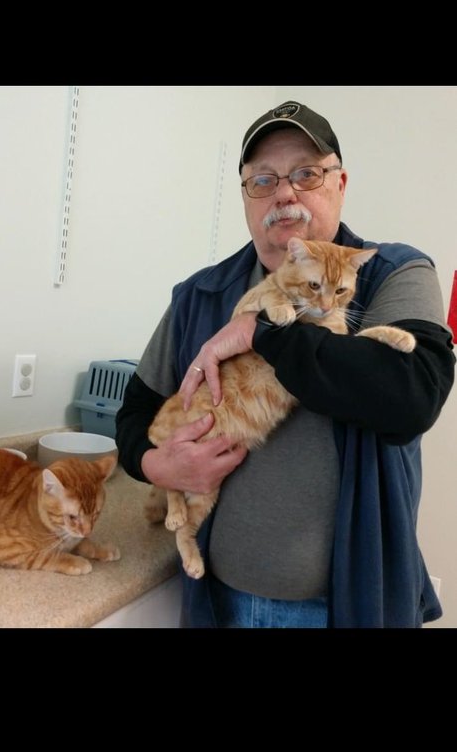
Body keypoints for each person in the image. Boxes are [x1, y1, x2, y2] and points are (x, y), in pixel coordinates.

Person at [116, 100, 455, 627]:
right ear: (247, 198)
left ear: (340, 183)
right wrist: (157, 465)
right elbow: (133, 412)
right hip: (216, 600)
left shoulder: (395, 272)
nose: (284, 193)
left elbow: (411, 396)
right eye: (263, 180)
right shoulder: (198, 294)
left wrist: (262, 330)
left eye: (306, 173)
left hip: (348, 607)